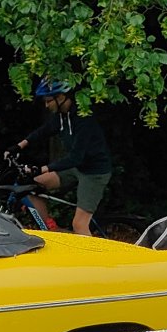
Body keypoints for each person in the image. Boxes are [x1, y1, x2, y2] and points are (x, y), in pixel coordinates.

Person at [13, 80, 112, 236]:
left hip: (94, 173)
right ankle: (50, 229)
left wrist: (42, 168)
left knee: (79, 225)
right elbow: (44, 131)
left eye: (49, 101)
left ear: (61, 98)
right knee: (32, 185)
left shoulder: (82, 119)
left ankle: (93, 259)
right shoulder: (62, 116)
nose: (46, 106)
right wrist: (19, 146)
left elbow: (75, 158)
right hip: (77, 168)